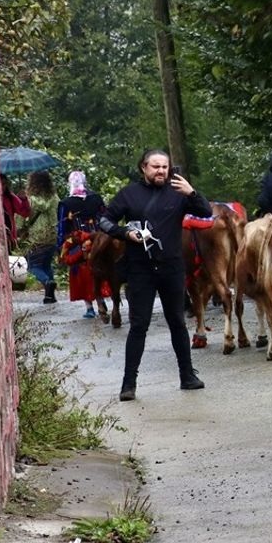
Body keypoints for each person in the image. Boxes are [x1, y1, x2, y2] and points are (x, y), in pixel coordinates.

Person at [98, 150, 211, 401]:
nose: (160, 171)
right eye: (155, 166)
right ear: (143, 168)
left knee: (178, 323)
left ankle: (187, 376)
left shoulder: (179, 192)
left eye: (164, 166)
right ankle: (129, 384)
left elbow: (206, 212)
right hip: (140, 269)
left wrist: (192, 192)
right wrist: (124, 233)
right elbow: (104, 222)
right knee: (139, 325)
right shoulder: (129, 194)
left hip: (172, 267)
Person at [57, 170, 106, 319]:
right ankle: (100, 300)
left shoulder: (66, 203)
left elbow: (62, 226)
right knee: (98, 270)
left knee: (82, 273)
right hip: (98, 240)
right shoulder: (96, 199)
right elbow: (105, 218)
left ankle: (89, 307)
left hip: (77, 242)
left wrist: (61, 246)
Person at [22, 170, 60, 304]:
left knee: (33, 266)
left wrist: (21, 230)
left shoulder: (30, 199)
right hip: (52, 235)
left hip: (36, 237)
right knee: (46, 265)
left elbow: (24, 216)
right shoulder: (54, 197)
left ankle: (47, 282)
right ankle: (50, 296)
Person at [0, 174, 30, 253]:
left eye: (4, 184)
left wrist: (24, 199)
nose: (2, 187)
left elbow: (25, 213)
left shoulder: (10, 197)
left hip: (9, 239)